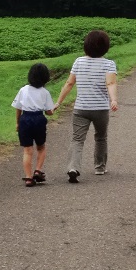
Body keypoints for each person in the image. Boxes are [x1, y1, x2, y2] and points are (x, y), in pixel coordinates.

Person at [52, 29, 119, 183]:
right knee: (101, 137)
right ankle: (99, 167)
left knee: (77, 139)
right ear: (106, 47)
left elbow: (69, 83)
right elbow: (111, 83)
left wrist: (58, 102)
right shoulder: (109, 64)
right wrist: (113, 100)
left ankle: (73, 167)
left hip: (81, 108)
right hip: (100, 109)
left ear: (86, 45)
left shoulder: (79, 62)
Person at [12, 62, 56, 187]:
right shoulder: (45, 92)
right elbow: (49, 112)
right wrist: (55, 107)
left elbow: (18, 108)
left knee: (27, 150)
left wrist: (17, 123)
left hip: (25, 118)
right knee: (41, 147)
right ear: (45, 78)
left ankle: (28, 177)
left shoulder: (23, 90)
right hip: (38, 118)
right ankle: (38, 170)